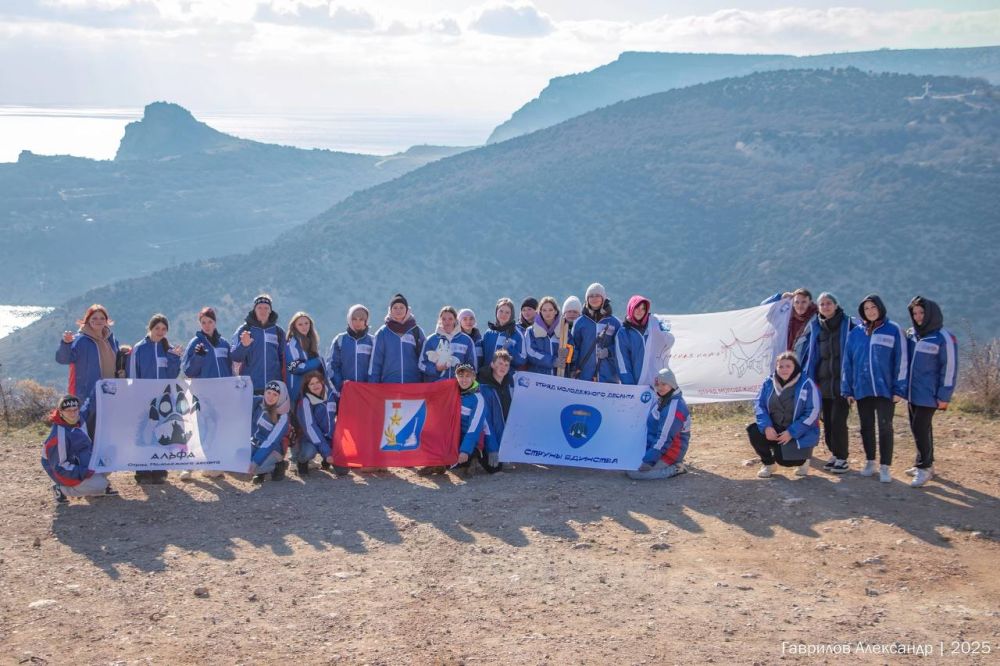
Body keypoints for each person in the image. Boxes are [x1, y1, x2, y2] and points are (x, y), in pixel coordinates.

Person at [841, 294, 907, 483]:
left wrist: (899, 389)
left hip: (885, 390)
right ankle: (870, 461)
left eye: (873, 307)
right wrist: (848, 389)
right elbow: (848, 363)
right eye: (866, 308)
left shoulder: (893, 330)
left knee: (885, 427)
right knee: (866, 427)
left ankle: (885, 466)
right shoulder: (855, 334)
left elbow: (901, 360)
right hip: (862, 389)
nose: (870, 311)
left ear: (880, 308)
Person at [905, 296, 958, 488]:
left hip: (930, 394)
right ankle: (926, 462)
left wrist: (944, 395)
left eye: (922, 313)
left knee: (920, 427)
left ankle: (924, 467)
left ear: (931, 313)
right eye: (915, 313)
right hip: (913, 392)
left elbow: (949, 367)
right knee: (919, 427)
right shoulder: (912, 335)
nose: (918, 317)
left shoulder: (944, 337)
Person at [802, 293, 855, 474]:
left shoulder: (849, 325)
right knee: (828, 422)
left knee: (838, 421)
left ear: (836, 304)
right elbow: (812, 356)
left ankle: (843, 458)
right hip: (823, 384)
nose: (825, 307)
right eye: (822, 304)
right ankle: (834, 454)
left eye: (829, 303)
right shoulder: (817, 327)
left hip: (842, 384)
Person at [128, 314, 183, 485]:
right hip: (144, 398)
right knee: (143, 433)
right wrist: (135, 394)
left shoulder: (168, 349)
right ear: (150, 328)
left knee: (161, 433)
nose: (160, 332)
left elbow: (172, 376)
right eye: (157, 328)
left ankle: (159, 470)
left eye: (164, 329)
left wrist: (174, 358)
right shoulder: (139, 348)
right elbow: (132, 373)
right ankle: (142, 471)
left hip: (163, 401)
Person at [748, 351, 820, 479]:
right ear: (776, 367)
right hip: (775, 427)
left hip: (796, 431)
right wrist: (767, 427)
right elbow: (760, 405)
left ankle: (803, 461)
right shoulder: (768, 382)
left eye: (788, 366)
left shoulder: (807, 383)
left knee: (784, 461)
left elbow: (813, 412)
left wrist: (792, 432)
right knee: (753, 430)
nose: (784, 369)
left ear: (795, 367)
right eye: (781, 366)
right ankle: (769, 464)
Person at [56, 304, 121, 437]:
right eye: (94, 318)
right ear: (87, 320)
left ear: (106, 320)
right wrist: (66, 344)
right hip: (87, 393)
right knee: (88, 428)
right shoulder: (81, 340)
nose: (98, 321)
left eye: (102, 318)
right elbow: (63, 359)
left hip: (109, 391)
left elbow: (117, 360)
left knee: (106, 427)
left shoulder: (111, 340)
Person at [42, 395, 117, 503]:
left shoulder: (79, 419)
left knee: (110, 457)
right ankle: (61, 489)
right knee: (101, 484)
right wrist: (84, 472)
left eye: (75, 410)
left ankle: (92, 485)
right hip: (58, 468)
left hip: (79, 458)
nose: (72, 414)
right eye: (68, 411)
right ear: (61, 412)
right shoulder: (59, 436)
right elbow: (60, 467)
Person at [628, 369, 690, 480]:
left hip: (670, 451)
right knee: (627, 463)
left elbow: (664, 439)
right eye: (657, 384)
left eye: (664, 384)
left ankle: (675, 469)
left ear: (672, 384)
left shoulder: (674, 407)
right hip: (655, 445)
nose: (660, 388)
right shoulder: (664, 399)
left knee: (634, 473)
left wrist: (649, 461)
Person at [230, 294, 287, 406]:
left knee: (272, 422)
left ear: (270, 311)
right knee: (252, 421)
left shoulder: (278, 332)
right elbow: (235, 356)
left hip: (273, 388)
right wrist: (244, 345)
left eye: (266, 308)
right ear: (254, 310)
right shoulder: (244, 329)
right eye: (259, 307)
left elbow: (284, 359)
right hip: (251, 387)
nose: (263, 311)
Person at [369, 294, 426, 383]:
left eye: (401, 307)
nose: (398, 310)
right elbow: (376, 362)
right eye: (395, 307)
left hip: (413, 385)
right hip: (389, 385)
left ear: (407, 309)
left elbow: (424, 359)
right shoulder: (382, 333)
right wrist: (373, 385)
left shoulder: (416, 331)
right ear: (390, 310)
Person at [571, 283, 621, 383]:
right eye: (591, 296)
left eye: (597, 295)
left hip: (608, 376)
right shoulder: (580, 322)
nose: (594, 298)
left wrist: (608, 351)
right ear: (587, 299)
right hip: (585, 375)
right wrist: (572, 368)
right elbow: (574, 347)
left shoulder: (615, 322)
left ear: (603, 298)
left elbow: (621, 347)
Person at [294, 371, 341, 476]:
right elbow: (311, 428)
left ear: (322, 382)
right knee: (307, 453)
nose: (315, 386)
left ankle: (326, 461)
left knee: (343, 471)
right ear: (307, 387)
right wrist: (327, 452)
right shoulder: (305, 401)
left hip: (330, 438)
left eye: (317, 382)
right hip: (310, 439)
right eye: (311, 384)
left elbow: (343, 407)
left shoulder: (331, 395)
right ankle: (302, 463)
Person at [477, 349, 514, 473]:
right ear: (492, 365)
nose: (503, 367)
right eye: (499, 363)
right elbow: (485, 422)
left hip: (505, 440)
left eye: (506, 365)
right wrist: (492, 448)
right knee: (494, 469)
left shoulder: (510, 386)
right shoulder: (484, 389)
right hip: (489, 440)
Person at [419, 306, 477, 382]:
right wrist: (436, 368)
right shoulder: (431, 340)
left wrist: (462, 374)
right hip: (435, 387)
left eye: (450, 319)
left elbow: (473, 366)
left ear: (455, 320)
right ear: (439, 320)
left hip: (457, 387)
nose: (447, 322)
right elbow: (421, 364)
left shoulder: (466, 340)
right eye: (444, 319)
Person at [249, 380, 291, 484]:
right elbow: (240, 399)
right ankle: (261, 467)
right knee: (238, 461)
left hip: (273, 449)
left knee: (254, 468)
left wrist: (255, 462)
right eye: (268, 392)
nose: (270, 397)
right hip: (254, 444)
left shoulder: (283, 415)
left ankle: (278, 465)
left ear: (280, 397)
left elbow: (271, 441)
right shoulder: (259, 402)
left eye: (275, 394)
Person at [327, 304, 374, 398]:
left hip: (367, 392)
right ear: (349, 320)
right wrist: (340, 384)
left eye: (361, 319)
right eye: (354, 319)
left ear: (366, 321)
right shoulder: (340, 340)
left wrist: (370, 385)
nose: (357, 322)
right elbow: (332, 366)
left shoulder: (373, 341)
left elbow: (376, 367)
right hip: (345, 392)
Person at [762, 288, 817, 359]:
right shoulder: (784, 315)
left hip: (800, 361)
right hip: (780, 359)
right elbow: (764, 307)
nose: (800, 306)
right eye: (797, 302)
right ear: (793, 303)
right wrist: (780, 297)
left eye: (804, 302)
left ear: (809, 302)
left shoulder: (815, 319)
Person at [453, 364, 488, 475]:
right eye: (461, 376)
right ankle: (437, 464)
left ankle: (473, 459)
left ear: (474, 377)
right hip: (453, 438)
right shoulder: (451, 393)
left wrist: (465, 450)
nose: (464, 380)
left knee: (463, 463)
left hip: (470, 440)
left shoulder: (478, 399)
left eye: (468, 376)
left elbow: (474, 428)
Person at [285, 311, 326, 404]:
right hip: (296, 393)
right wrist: (317, 361)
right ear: (294, 327)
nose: (304, 327)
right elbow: (294, 368)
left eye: (306, 323)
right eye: (300, 324)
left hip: (311, 392)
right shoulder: (292, 345)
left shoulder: (311, 342)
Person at [182, 307, 233, 379]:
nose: (207, 325)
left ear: (215, 322)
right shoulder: (194, 343)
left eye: (210, 322)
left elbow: (231, 368)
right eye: (203, 323)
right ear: (200, 324)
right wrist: (198, 357)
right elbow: (188, 372)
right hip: (204, 389)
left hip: (224, 387)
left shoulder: (224, 344)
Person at [616, 295, 651, 385]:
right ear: (631, 308)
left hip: (654, 385)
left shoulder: (652, 328)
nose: (640, 311)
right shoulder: (623, 333)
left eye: (643, 308)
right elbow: (623, 363)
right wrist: (630, 386)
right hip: (635, 385)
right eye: (637, 307)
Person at [482, 297, 526, 368]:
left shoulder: (517, 334)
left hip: (506, 376)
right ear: (496, 312)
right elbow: (482, 356)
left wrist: (510, 350)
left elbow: (522, 360)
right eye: (501, 311)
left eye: (507, 312)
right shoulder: (489, 333)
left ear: (511, 315)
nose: (503, 315)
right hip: (487, 375)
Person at [524, 296, 562, 375]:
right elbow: (531, 352)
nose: (547, 313)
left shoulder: (563, 331)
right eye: (544, 310)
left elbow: (572, 349)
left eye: (550, 310)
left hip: (559, 378)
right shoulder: (531, 331)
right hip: (538, 378)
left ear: (556, 311)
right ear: (540, 312)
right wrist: (553, 361)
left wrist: (568, 355)